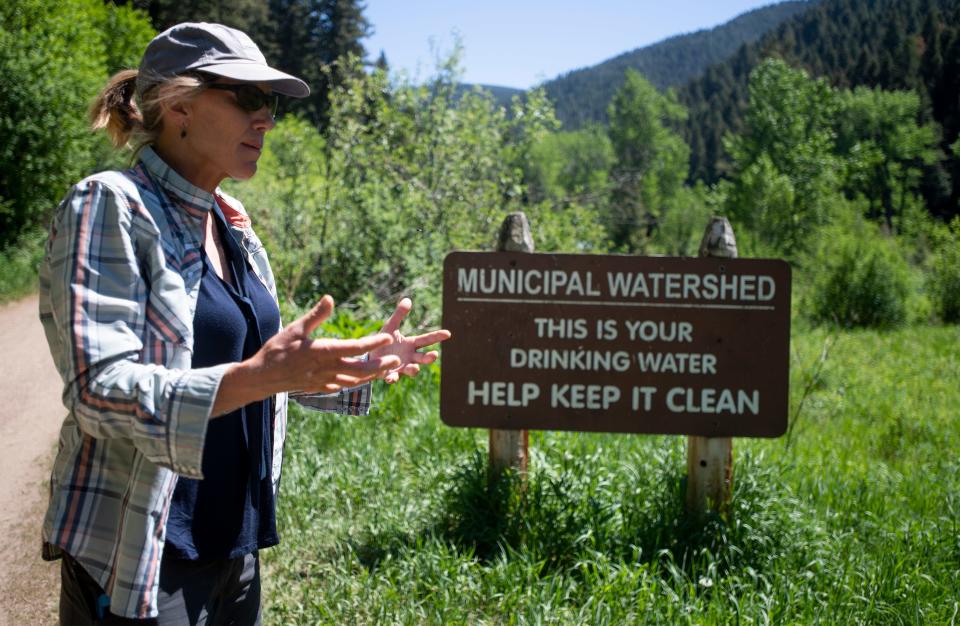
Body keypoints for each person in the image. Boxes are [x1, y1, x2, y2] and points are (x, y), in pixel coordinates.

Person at [38, 22, 450, 625]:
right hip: (146, 553)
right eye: (250, 98)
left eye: (272, 103)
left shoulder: (233, 223)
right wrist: (259, 377)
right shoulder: (110, 205)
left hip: (236, 545)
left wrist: (341, 367)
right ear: (178, 104)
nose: (268, 120)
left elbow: (254, 368)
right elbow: (98, 390)